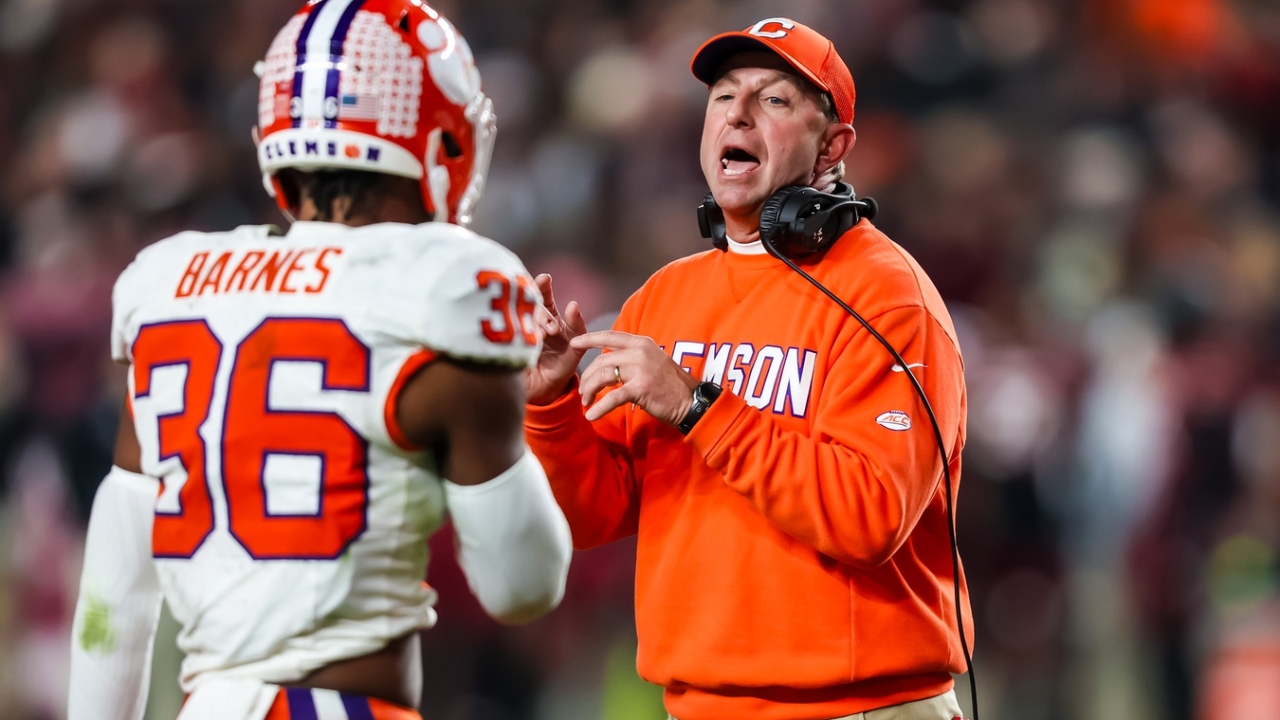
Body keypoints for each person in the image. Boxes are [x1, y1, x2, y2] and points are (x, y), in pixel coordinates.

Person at [66, 1, 573, 718]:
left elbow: (111, 601)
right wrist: (516, 419)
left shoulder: (171, 289)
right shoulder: (442, 291)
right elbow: (524, 584)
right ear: (439, 139)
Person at [525, 18, 972, 720]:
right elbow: (592, 515)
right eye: (723, 97)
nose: (736, 113)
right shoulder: (665, 297)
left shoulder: (886, 296)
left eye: (774, 100)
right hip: (701, 706)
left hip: (861, 707)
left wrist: (700, 406)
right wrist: (551, 413)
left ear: (834, 147)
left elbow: (872, 518)